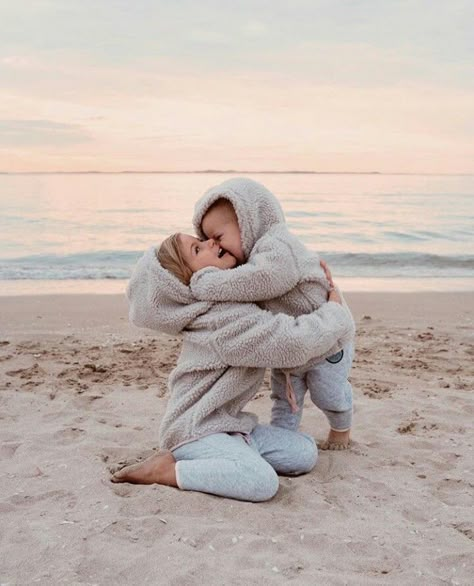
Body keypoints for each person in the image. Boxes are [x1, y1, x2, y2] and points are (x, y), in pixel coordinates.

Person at [111, 230, 354, 501]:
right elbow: (291, 344)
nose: (211, 242)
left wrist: (308, 275)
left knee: (305, 454)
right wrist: (333, 312)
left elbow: (269, 284)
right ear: (188, 280)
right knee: (261, 483)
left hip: (229, 426)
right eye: (197, 249)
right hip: (195, 431)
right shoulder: (221, 323)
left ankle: (234, 454)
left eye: (202, 239)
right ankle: (166, 471)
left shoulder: (225, 305)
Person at [190, 177, 355, 449]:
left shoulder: (276, 244)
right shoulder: (248, 263)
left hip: (329, 339)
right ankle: (285, 438)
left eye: (219, 237)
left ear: (248, 222)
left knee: (329, 394)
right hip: (291, 347)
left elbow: (266, 279)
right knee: (285, 398)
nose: (215, 246)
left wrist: (207, 282)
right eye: (206, 241)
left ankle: (341, 428)